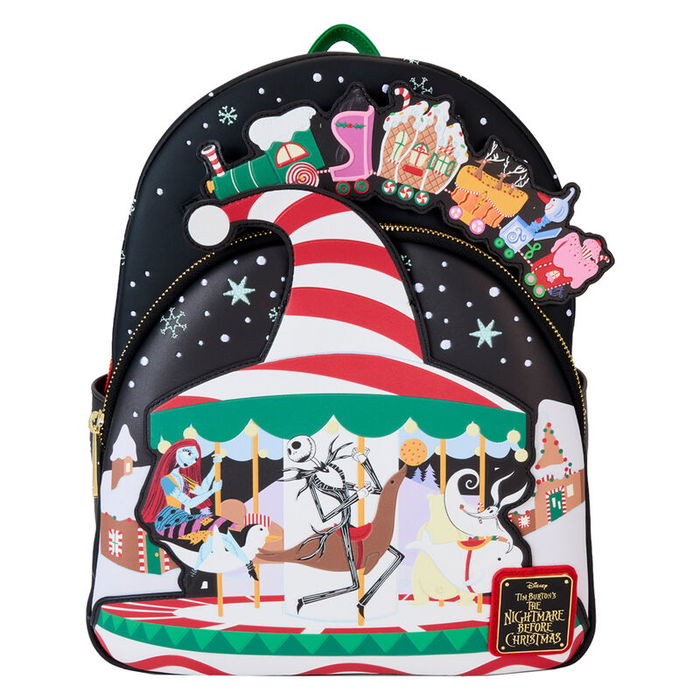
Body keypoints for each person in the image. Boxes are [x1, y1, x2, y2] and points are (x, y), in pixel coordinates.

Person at [141, 438, 255, 577]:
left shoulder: (183, 478)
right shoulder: (166, 480)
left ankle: (242, 563)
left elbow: (202, 489)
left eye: (196, 458)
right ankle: (245, 560)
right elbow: (189, 503)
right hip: (169, 521)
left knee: (217, 532)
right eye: (188, 453)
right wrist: (213, 491)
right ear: (175, 451)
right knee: (216, 524)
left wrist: (215, 466)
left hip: (183, 518)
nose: (192, 460)